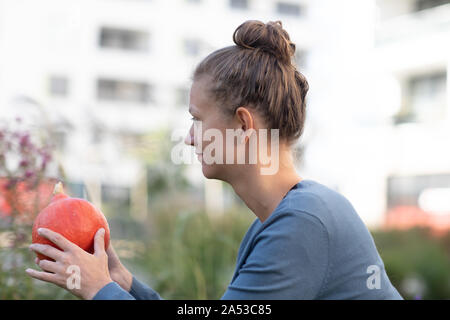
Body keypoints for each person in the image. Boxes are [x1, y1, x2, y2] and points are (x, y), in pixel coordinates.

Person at [26, 20, 403, 300]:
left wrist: (98, 290)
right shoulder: (279, 222)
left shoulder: (302, 225)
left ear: (242, 125)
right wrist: (122, 283)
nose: (190, 137)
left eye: (197, 119)